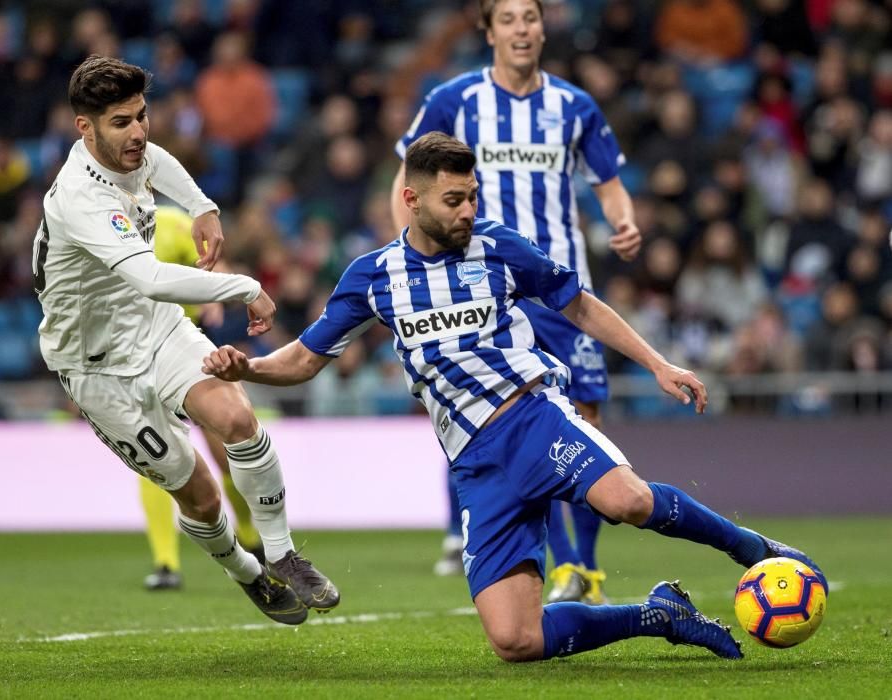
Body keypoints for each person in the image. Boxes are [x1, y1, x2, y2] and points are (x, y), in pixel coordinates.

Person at [203, 132, 828, 662]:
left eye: (472, 196)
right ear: (411, 198)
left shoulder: (498, 246)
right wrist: (248, 370)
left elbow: (578, 303)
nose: (468, 210)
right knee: (515, 641)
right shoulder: (371, 277)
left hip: (531, 416)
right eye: (454, 200)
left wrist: (657, 363)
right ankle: (659, 615)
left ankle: (750, 549)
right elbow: (306, 360)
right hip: (474, 463)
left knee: (628, 500)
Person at [32, 55, 338, 623]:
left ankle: (283, 554)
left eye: (142, 116)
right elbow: (149, 275)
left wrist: (201, 206)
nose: (139, 132)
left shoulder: (132, 153)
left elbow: (157, 163)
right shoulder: (78, 196)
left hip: (155, 326)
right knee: (197, 491)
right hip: (96, 366)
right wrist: (244, 285)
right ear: (85, 127)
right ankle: (248, 573)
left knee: (239, 421)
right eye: (121, 122)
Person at [390, 0, 641, 603]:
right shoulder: (455, 99)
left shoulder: (574, 106)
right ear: (488, 31)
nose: (521, 29)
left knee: (585, 421)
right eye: (508, 19)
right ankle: (563, 568)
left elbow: (608, 184)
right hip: (488, 290)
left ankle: (580, 568)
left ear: (543, 28)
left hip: (561, 285)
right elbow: (410, 180)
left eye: (530, 17)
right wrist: (411, 256)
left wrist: (624, 222)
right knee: (520, 421)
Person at [140, 205, 265, 591]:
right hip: (137, 355)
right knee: (155, 460)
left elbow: (211, 261)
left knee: (226, 454)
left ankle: (248, 535)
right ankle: (166, 563)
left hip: (185, 344)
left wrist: (208, 291)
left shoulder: (170, 223)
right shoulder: (95, 223)